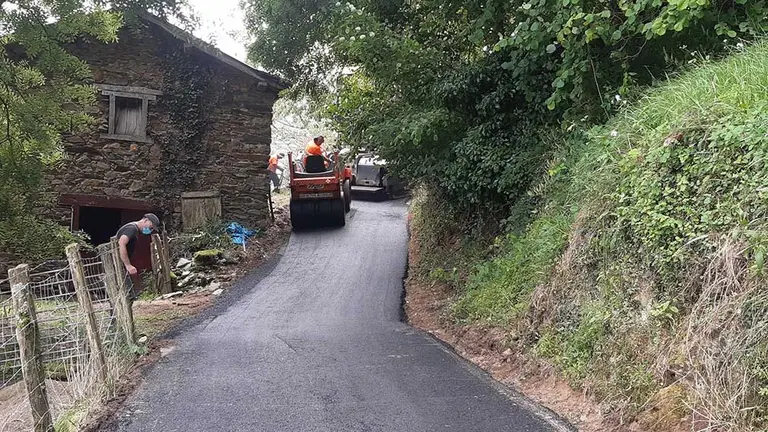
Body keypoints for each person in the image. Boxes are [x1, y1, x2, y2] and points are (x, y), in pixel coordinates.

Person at [116, 214, 160, 295]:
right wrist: (128, 265)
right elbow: (121, 243)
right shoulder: (132, 229)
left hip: (121, 264)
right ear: (146, 220)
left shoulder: (135, 230)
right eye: (150, 227)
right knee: (126, 291)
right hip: (118, 264)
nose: (150, 230)